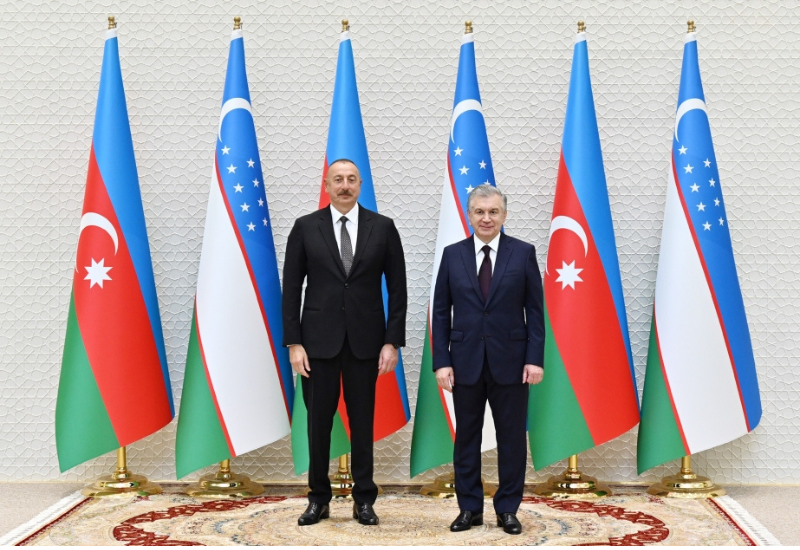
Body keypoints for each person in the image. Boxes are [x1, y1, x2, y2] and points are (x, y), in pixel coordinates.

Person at [282, 158, 407, 526]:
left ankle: (364, 499)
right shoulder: (306, 227)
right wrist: (293, 343)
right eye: (338, 179)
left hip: (366, 343)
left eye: (352, 179)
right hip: (316, 345)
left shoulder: (382, 227)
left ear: (360, 185)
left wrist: (392, 342)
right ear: (327, 185)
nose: (345, 185)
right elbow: (292, 289)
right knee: (318, 425)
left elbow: (398, 289)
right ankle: (318, 499)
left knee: (363, 424)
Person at [432, 184, 545, 535]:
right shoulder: (453, 254)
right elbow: (440, 312)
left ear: (504, 215)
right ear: (469, 215)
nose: (486, 218)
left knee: (511, 439)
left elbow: (535, 312)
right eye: (480, 212)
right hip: (464, 362)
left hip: (512, 362)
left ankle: (508, 509)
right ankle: (469, 509)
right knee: (467, 438)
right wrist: (441, 361)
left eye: (493, 212)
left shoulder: (523, 253)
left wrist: (534, 359)